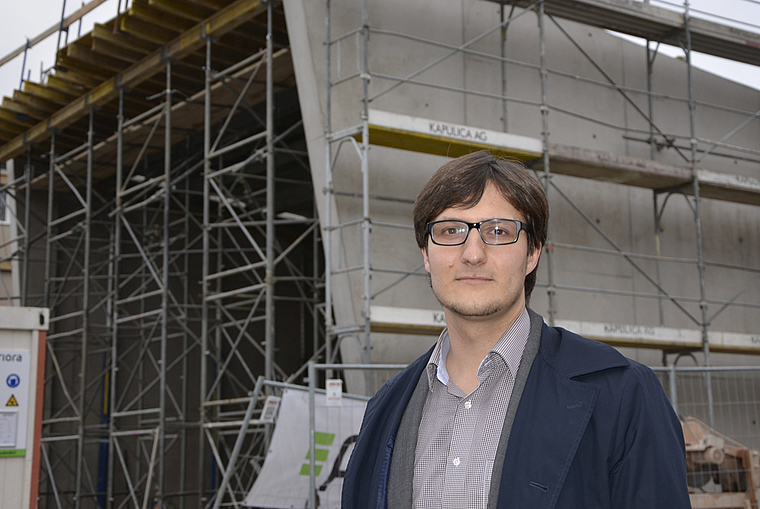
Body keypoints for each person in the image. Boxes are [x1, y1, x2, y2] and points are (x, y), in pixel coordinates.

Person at [341, 151, 690, 509]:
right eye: (450, 231)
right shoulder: (384, 410)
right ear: (426, 255)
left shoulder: (621, 395)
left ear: (533, 252)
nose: (472, 253)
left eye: (497, 231)